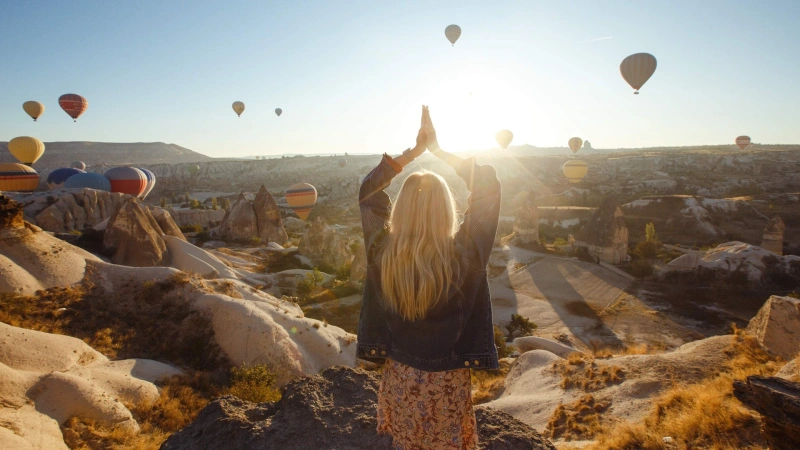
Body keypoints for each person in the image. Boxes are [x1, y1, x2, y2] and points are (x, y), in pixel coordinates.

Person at [357, 105, 501, 449]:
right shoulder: (464, 255)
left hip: (400, 374)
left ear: (401, 209)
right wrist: (438, 151)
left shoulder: (383, 252)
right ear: (445, 209)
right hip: (447, 380)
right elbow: (488, 189)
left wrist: (410, 155)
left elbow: (368, 194)